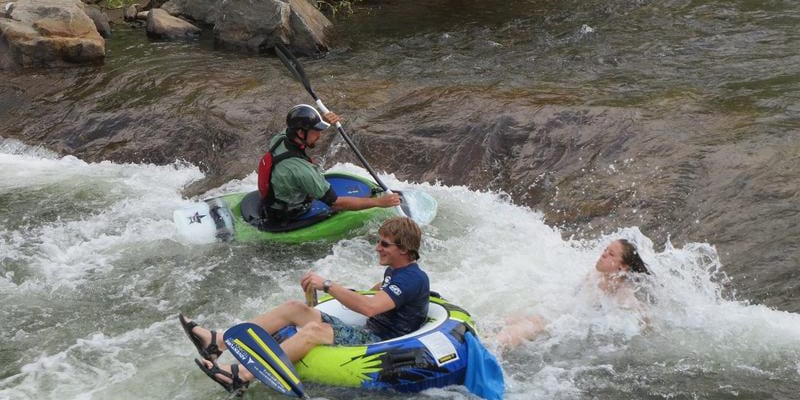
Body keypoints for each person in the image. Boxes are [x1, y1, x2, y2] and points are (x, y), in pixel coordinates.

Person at [179, 216, 430, 393]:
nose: (377, 248)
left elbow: (370, 308)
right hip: (369, 330)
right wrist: (340, 290)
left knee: (314, 331)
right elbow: (379, 294)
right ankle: (217, 342)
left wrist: (329, 284)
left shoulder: (411, 278)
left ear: (405, 250)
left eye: (384, 244)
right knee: (293, 307)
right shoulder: (397, 272)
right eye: (379, 241)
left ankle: (242, 375)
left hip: (383, 343)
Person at [495, 238, 650, 349]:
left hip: (576, 330)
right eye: (605, 250)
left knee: (536, 324)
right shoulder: (595, 275)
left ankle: (493, 345)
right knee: (519, 317)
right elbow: (573, 296)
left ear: (622, 267)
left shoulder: (624, 293)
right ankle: (487, 334)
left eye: (611, 254)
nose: (603, 254)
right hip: (569, 318)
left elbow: (641, 321)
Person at [258, 104, 400, 223]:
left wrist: (321, 120)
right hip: (286, 215)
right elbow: (336, 203)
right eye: (316, 131)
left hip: (275, 198)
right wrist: (379, 203)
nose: (319, 136)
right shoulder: (303, 171)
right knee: (334, 201)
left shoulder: (280, 139)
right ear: (301, 133)